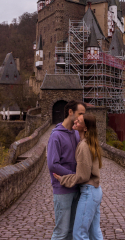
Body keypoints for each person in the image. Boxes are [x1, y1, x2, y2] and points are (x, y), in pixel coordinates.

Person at [54, 114, 103, 240]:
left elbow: (83, 176)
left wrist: (63, 179)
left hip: (89, 191)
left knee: (79, 234)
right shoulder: (89, 143)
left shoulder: (83, 146)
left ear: (85, 128)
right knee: (94, 233)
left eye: (79, 121)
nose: (75, 121)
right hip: (96, 191)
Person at [47, 100, 86, 239]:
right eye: (80, 113)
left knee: (71, 231)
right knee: (61, 231)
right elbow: (53, 164)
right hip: (62, 188)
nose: (82, 117)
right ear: (70, 112)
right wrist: (74, 175)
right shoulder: (56, 136)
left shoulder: (75, 134)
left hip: (76, 188)